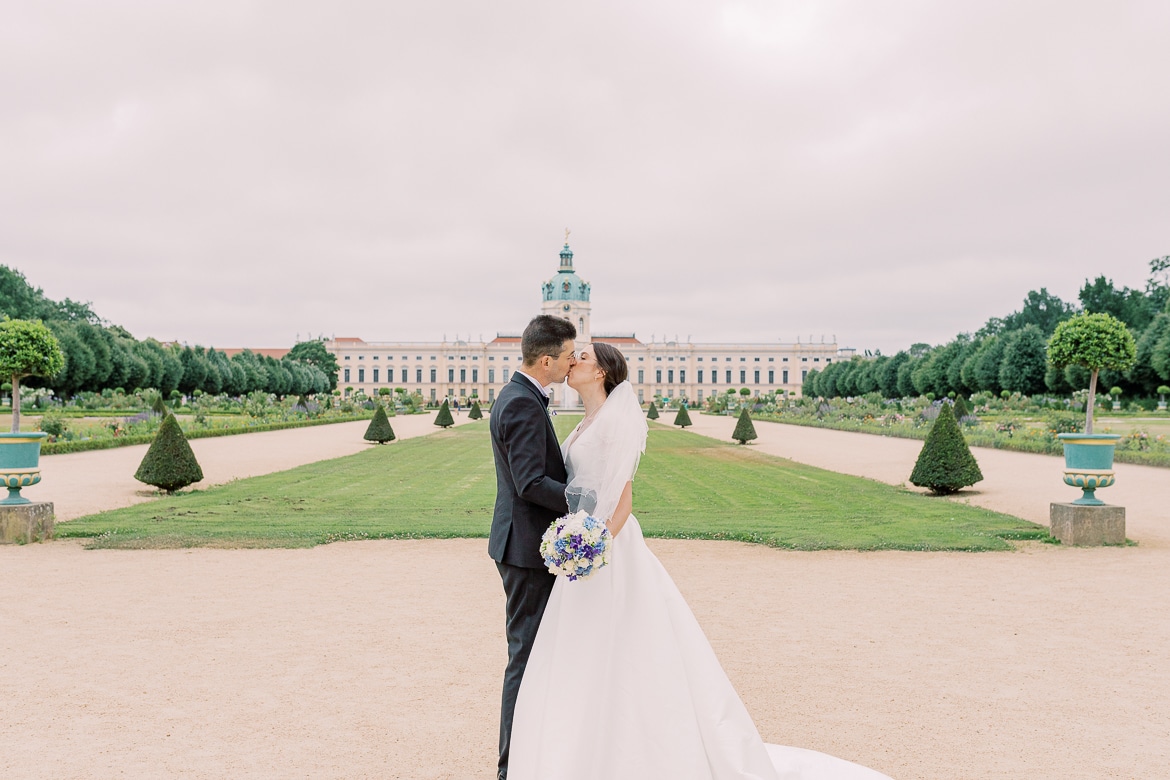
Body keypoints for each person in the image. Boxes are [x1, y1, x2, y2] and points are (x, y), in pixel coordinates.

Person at [507, 342, 894, 780]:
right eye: (571, 356)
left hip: (606, 548)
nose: (572, 362)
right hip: (586, 548)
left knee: (621, 646)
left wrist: (596, 544)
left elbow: (623, 500)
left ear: (601, 374)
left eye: (583, 358)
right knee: (584, 649)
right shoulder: (585, 420)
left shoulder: (616, 421)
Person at [488, 314, 578, 780]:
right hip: (525, 549)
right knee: (524, 658)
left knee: (533, 653)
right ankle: (510, 767)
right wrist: (583, 501)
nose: (571, 365)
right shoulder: (523, 403)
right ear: (546, 359)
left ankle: (530, 756)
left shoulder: (520, 395)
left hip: (522, 543)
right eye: (567, 357)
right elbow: (529, 482)